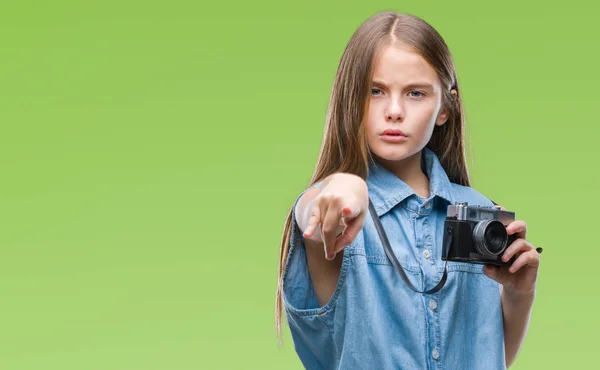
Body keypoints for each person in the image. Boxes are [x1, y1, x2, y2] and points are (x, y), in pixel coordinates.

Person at [275, 11, 541, 370]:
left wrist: (518, 293)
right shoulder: (339, 210)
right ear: (352, 99)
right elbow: (313, 214)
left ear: (446, 106)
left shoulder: (480, 215)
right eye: (375, 91)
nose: (395, 111)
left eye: (415, 93)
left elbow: (490, 357)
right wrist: (344, 184)